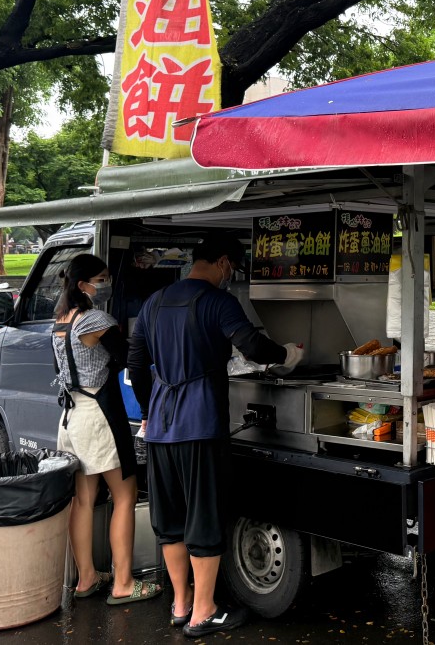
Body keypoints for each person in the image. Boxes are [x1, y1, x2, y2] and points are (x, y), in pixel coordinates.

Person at [127, 232, 304, 637]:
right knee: (204, 517)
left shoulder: (155, 302)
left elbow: (136, 363)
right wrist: (287, 355)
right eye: (233, 269)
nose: (231, 277)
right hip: (201, 425)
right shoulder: (217, 301)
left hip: (160, 429)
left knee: (169, 521)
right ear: (223, 263)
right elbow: (252, 346)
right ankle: (204, 612)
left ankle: (180, 603)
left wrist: (149, 412)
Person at [53, 254, 159, 605]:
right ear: (83, 284)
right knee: (125, 496)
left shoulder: (61, 321)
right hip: (99, 416)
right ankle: (124, 583)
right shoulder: (97, 319)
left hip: (71, 416)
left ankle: (86, 579)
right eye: (101, 278)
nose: (106, 282)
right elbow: (132, 357)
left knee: (83, 500)